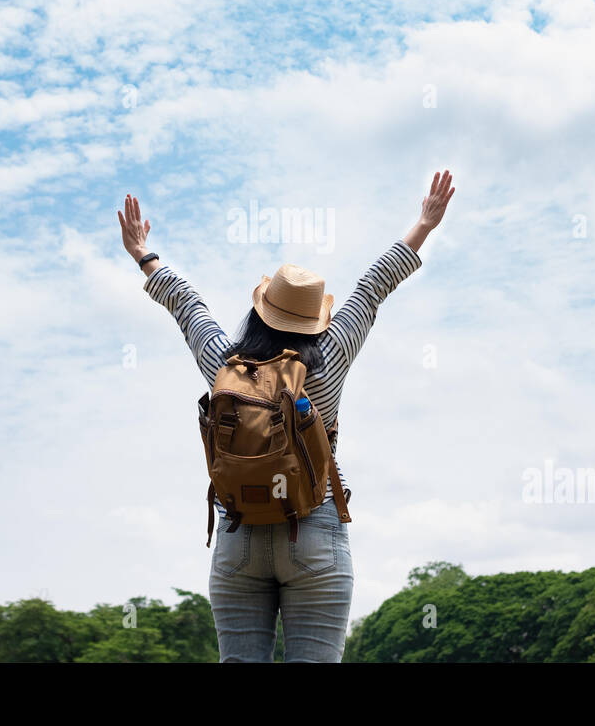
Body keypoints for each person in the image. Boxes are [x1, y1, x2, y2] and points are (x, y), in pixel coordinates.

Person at [116, 169, 455, 661]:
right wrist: (424, 224)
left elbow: (187, 307)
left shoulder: (224, 362)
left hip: (238, 536)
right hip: (313, 529)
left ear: (260, 310)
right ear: (317, 321)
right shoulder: (331, 355)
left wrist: (143, 255)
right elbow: (374, 285)